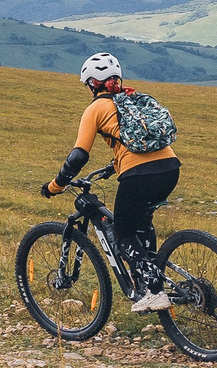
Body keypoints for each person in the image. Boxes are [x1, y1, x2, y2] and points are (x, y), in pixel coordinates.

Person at [42, 52, 179, 310]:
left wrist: (55, 185)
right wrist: (115, 165)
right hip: (170, 168)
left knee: (123, 232)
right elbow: (134, 141)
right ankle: (151, 278)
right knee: (140, 222)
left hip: (139, 174)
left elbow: (78, 155)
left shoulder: (95, 109)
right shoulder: (131, 99)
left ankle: (153, 290)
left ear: (93, 83)